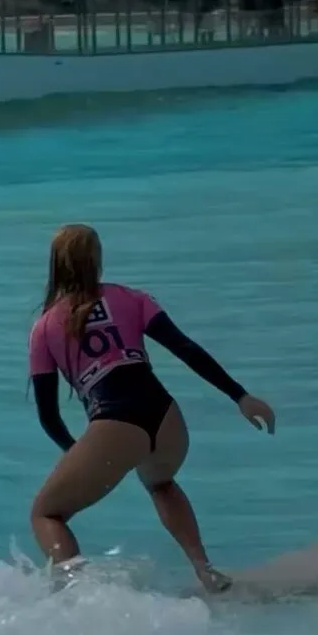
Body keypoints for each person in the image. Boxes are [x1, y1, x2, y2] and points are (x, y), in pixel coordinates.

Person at [28, 224, 276, 593]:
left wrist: (77, 453)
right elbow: (186, 349)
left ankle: (79, 598)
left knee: (46, 514)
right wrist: (240, 396)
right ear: (97, 259)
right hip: (167, 419)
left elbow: (49, 416)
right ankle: (206, 571)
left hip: (115, 423)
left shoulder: (44, 327)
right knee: (160, 482)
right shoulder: (132, 298)